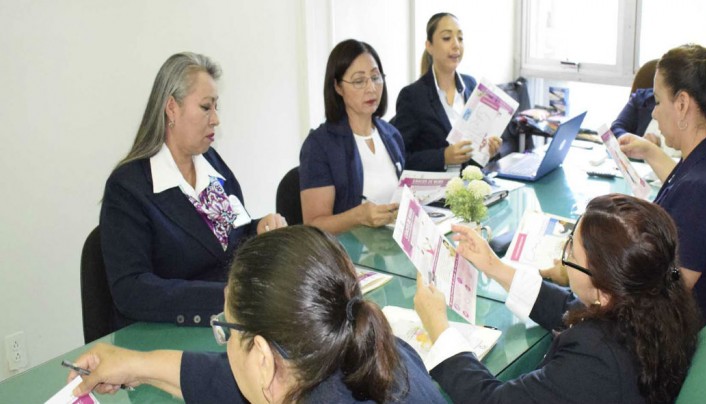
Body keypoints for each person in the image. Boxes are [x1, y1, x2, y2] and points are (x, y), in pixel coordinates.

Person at [67, 226, 446, 404]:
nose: (227, 345)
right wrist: (134, 364)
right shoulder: (378, 354)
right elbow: (225, 380)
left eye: (228, 332)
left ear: (264, 359)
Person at [414, 194, 701, 402]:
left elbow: (493, 401)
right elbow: (569, 307)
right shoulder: (656, 298)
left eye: (572, 255)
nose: (564, 260)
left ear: (603, 290)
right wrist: (495, 267)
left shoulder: (596, 357)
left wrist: (439, 328)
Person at [100, 52, 286, 330]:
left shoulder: (211, 162)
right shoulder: (128, 187)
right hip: (173, 332)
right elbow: (131, 289)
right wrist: (223, 296)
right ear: (171, 108)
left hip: (230, 322)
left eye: (216, 107)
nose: (216, 120)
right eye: (205, 107)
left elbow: (233, 235)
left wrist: (260, 228)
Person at [619, 44, 706, 321]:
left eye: (658, 101)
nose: (654, 113)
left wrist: (601, 277)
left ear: (681, 104)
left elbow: (668, 291)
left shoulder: (701, 189)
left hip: (685, 332)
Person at [300, 39, 403, 234]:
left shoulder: (392, 135)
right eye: (358, 81)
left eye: (375, 77)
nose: (371, 88)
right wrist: (358, 217)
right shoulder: (319, 145)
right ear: (338, 87)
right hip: (347, 257)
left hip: (392, 249)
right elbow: (313, 225)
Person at [393, 12, 501, 172]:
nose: (456, 45)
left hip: (470, 188)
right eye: (446, 38)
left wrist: (489, 152)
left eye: (460, 38)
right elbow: (399, 159)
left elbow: (473, 159)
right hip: (434, 193)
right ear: (429, 46)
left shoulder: (471, 85)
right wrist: (443, 157)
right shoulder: (412, 96)